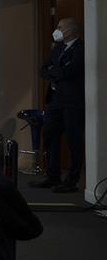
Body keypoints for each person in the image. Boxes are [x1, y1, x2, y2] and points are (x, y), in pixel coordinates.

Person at [31, 17, 85, 192]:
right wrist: (56, 72)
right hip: (55, 101)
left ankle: (72, 180)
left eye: (60, 27)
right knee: (49, 135)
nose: (57, 30)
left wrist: (54, 72)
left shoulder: (81, 49)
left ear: (70, 30)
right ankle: (53, 176)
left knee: (73, 140)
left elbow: (70, 72)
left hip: (73, 102)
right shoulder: (58, 48)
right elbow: (43, 69)